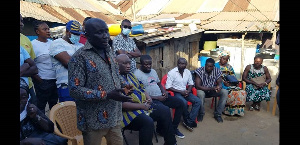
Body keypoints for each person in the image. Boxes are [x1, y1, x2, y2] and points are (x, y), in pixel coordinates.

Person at [68, 18, 132, 145]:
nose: (105, 36)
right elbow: (75, 90)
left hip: (114, 117)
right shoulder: (79, 57)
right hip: (93, 120)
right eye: (99, 32)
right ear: (87, 35)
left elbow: (115, 74)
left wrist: (124, 86)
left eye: (106, 31)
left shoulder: (109, 51)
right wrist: (106, 95)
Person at [118, 54, 177, 145]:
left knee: (165, 110)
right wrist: (142, 106)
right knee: (147, 122)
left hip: (144, 105)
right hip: (129, 113)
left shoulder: (130, 75)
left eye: (129, 63)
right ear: (116, 64)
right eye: (125, 63)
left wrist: (149, 98)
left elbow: (141, 88)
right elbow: (122, 104)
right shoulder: (115, 79)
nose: (128, 66)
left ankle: (171, 142)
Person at [134, 55, 186, 139]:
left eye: (150, 64)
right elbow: (139, 93)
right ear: (141, 64)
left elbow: (159, 83)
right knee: (165, 110)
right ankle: (162, 130)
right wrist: (157, 98)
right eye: (146, 64)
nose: (148, 66)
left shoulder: (153, 71)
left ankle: (174, 128)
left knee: (180, 103)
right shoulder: (136, 75)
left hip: (161, 96)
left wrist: (164, 91)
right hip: (151, 100)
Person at [20, 78, 68, 145]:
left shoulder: (29, 108)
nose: (20, 101)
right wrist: (24, 142)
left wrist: (36, 117)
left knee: (61, 141)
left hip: (39, 139)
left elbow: (50, 128)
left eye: (24, 97)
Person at [49, 20, 84, 102]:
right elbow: (69, 63)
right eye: (75, 34)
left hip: (82, 86)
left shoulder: (81, 45)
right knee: (69, 113)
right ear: (67, 32)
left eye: (79, 34)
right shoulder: (57, 44)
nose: (77, 36)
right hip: (67, 86)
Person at [165, 58, 201, 131]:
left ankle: (189, 121)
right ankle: (187, 119)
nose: (181, 65)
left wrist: (188, 91)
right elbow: (168, 86)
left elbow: (191, 83)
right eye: (180, 63)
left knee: (198, 101)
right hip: (176, 92)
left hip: (186, 91)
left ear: (186, 65)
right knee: (183, 102)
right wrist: (181, 92)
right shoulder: (172, 73)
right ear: (177, 64)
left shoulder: (187, 72)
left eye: (183, 64)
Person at [31, 20, 58, 114]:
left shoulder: (52, 43)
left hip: (55, 79)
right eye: (44, 29)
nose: (48, 31)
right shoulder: (33, 45)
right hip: (43, 80)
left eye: (48, 29)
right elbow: (30, 64)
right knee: (41, 105)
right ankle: (42, 126)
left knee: (55, 106)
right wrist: (38, 79)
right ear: (37, 32)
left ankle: (55, 125)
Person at [195, 58, 228, 123]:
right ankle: (201, 113)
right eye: (207, 66)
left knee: (224, 92)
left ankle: (218, 114)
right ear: (205, 65)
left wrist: (219, 87)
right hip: (203, 90)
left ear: (213, 66)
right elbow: (198, 86)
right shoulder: (199, 71)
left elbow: (219, 82)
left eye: (210, 66)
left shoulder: (217, 71)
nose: (208, 68)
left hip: (213, 90)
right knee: (200, 93)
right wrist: (212, 88)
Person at [215, 51, 246, 116]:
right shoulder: (216, 66)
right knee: (232, 93)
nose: (225, 61)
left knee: (242, 92)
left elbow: (233, 75)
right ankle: (228, 111)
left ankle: (237, 111)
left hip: (230, 83)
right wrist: (224, 82)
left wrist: (235, 82)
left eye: (226, 59)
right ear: (220, 58)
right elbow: (215, 77)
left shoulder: (229, 67)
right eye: (223, 59)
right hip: (220, 83)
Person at [20, 13, 37, 105]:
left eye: (22, 21)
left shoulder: (26, 40)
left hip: (28, 87)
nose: (21, 23)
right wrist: (25, 66)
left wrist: (24, 69)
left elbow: (34, 68)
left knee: (32, 113)